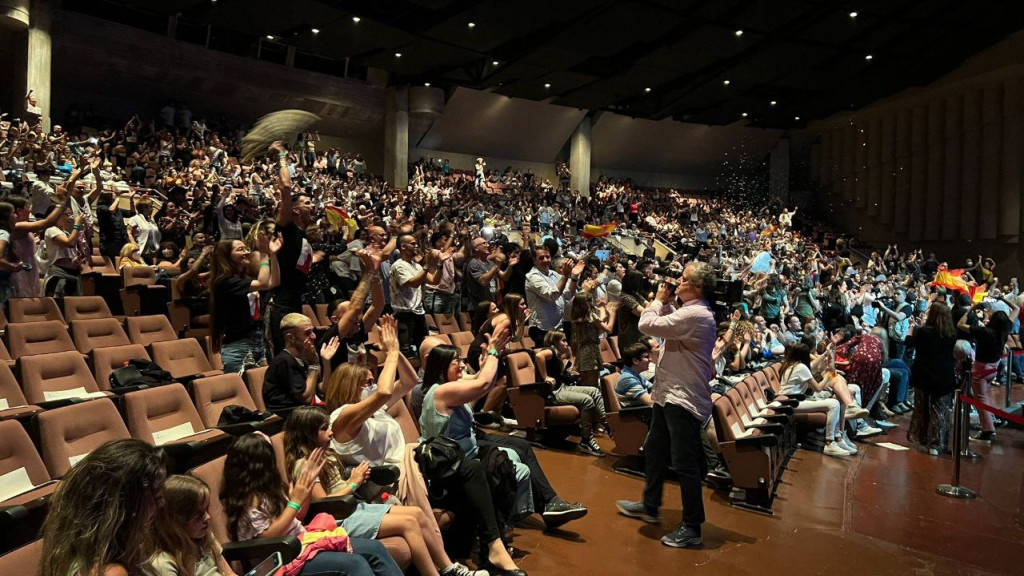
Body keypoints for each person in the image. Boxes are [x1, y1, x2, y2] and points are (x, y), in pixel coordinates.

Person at [283, 406, 486, 576]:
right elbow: (324, 504)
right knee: (408, 523)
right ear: (307, 433)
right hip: (337, 518)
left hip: (353, 508)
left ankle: (449, 567)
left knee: (417, 513)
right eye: (324, 428)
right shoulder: (304, 465)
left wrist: (355, 479)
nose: (331, 432)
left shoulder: (324, 455)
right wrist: (353, 483)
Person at [615, 262, 717, 549]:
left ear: (696, 287)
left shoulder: (696, 314)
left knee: (685, 463)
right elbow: (675, 324)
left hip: (681, 397)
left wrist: (658, 301)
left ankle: (692, 527)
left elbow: (646, 324)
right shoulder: (692, 312)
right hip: (667, 393)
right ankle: (650, 505)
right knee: (656, 450)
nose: (677, 282)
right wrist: (669, 304)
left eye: (683, 280)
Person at [221, 433, 403, 576]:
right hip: (281, 559)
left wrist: (304, 490)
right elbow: (268, 537)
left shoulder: (268, 489)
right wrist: (294, 503)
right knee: (355, 564)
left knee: (375, 549)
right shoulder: (247, 502)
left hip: (302, 543)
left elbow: (298, 517)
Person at [39, 439, 168, 576]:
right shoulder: (111, 572)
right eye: (157, 494)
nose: (162, 502)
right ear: (126, 504)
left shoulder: (73, 545)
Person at [209, 234, 282, 374]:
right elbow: (263, 283)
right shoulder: (224, 282)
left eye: (246, 248)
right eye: (240, 249)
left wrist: (273, 255)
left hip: (257, 341)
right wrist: (264, 254)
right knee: (242, 389)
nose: (246, 252)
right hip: (238, 346)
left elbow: (274, 282)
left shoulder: (243, 278)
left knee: (260, 388)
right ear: (227, 255)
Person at [957, 295, 1019, 444]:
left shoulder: (985, 332)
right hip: (993, 368)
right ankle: (991, 420)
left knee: (980, 400)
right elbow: (1015, 308)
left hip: (980, 369)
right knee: (981, 397)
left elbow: (960, 324)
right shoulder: (1005, 329)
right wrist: (1003, 299)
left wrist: (971, 309)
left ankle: (988, 431)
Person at [147, 475, 238, 576]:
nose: (208, 517)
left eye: (207, 509)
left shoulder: (205, 537)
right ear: (176, 523)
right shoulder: (163, 564)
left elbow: (229, 573)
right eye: (198, 515)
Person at [906, 302, 958, 455]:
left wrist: (912, 327)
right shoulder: (952, 334)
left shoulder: (924, 332)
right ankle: (937, 443)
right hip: (944, 375)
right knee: (940, 411)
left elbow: (909, 342)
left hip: (924, 374)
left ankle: (921, 437)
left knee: (922, 408)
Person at [263, 312, 339, 413]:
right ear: (291, 338)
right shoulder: (284, 361)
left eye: (313, 331)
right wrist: (313, 365)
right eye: (307, 333)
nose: (314, 336)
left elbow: (324, 389)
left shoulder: (306, 357)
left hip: (308, 412)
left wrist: (326, 361)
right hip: (288, 418)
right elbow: (306, 399)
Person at [524, 246, 581, 342]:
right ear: (534, 260)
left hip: (558, 326)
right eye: (541, 258)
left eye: (547, 257)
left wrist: (574, 277)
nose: (545, 260)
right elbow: (552, 295)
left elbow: (568, 295)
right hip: (541, 329)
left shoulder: (554, 274)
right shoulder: (532, 277)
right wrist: (565, 275)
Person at [615, 342, 654, 407]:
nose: (650, 359)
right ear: (635, 361)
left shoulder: (636, 375)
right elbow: (650, 402)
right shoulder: (627, 379)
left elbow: (653, 388)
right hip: (636, 415)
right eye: (646, 357)